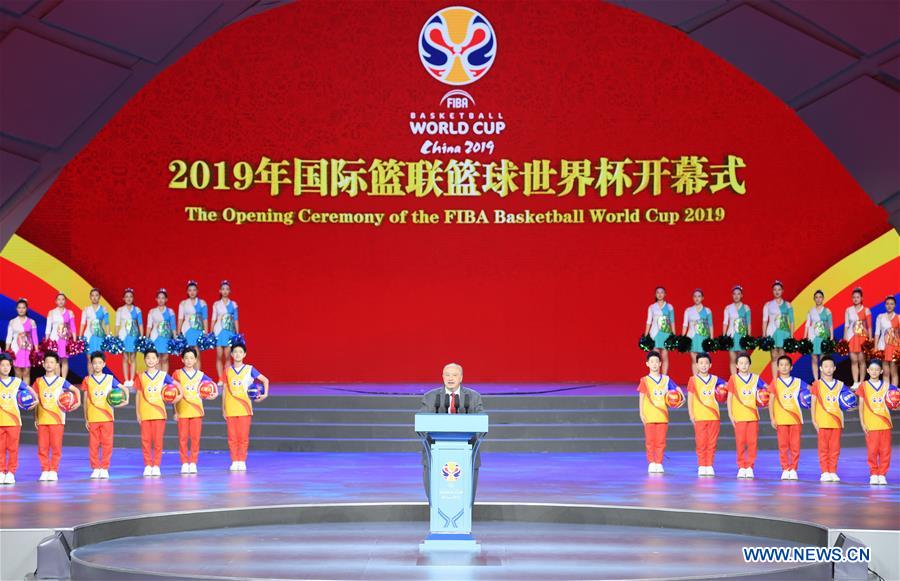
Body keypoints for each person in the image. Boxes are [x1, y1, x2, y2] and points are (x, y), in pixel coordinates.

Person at [418, 363, 485, 498]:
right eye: (447, 375)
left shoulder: (473, 397)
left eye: (454, 375)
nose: (450, 378)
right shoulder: (430, 397)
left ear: (461, 378)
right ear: (442, 377)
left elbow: (481, 422)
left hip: (467, 452)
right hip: (435, 452)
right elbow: (422, 424)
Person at [81, 352, 128, 479]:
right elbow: (85, 400)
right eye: (94, 363)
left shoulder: (109, 378)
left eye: (99, 363)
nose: (97, 365)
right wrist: (86, 418)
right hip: (93, 417)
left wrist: (126, 400)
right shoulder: (87, 380)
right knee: (93, 444)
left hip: (107, 417)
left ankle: (105, 467)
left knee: (107, 443)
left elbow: (124, 388)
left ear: (104, 364)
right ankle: (95, 468)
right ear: (91, 364)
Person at [33, 351, 80, 481]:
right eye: (47, 362)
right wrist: (36, 417)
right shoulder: (38, 381)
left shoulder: (61, 381)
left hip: (58, 419)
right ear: (43, 364)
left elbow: (75, 390)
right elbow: (35, 400)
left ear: (57, 365)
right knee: (42, 447)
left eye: (52, 362)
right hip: (42, 419)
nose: (49, 364)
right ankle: (44, 469)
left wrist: (78, 402)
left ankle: (53, 470)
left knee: (56, 446)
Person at [222, 343, 268, 471]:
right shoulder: (227, 371)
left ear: (244, 354)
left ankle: (241, 460)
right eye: (235, 352)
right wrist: (223, 409)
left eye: (240, 352)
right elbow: (225, 391)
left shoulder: (249, 369)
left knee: (243, 437)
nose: (237, 354)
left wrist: (264, 395)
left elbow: (265, 380)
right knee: (232, 437)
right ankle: (234, 460)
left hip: (245, 408)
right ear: (231, 354)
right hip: (231, 408)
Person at [135, 348, 181, 477]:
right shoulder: (140, 376)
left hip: (159, 414)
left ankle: (156, 465)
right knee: (146, 441)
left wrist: (178, 396)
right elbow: (138, 396)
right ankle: (148, 465)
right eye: (148, 358)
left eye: (153, 358)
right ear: (144, 360)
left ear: (157, 360)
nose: (150, 360)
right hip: (145, 413)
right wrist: (138, 414)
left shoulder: (163, 375)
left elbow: (177, 385)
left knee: (158, 441)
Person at [637, 351, 683, 474]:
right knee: (650, 441)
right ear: (647, 364)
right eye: (651, 362)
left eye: (656, 362)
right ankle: (652, 462)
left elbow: (677, 389)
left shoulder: (666, 379)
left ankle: (659, 462)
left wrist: (681, 398)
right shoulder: (645, 380)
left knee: (661, 441)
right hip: (649, 415)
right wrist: (641, 413)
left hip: (662, 416)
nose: (654, 364)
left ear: (660, 363)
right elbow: (641, 397)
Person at [173, 347, 216, 474]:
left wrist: (212, 394)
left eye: (192, 358)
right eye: (186, 358)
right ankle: (184, 462)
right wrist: (175, 411)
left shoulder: (200, 375)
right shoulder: (177, 374)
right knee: (183, 438)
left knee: (195, 438)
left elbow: (212, 385)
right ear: (182, 359)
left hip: (197, 411)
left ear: (196, 360)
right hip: (182, 410)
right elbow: (173, 393)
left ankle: (193, 462)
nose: (189, 360)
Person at [810, 355, 852, 482]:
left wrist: (851, 404)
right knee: (823, 449)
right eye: (825, 367)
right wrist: (813, 419)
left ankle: (833, 471)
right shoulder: (816, 384)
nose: (828, 369)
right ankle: (824, 471)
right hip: (822, 421)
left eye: (830, 367)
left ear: (834, 368)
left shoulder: (840, 385)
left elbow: (847, 400)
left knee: (835, 449)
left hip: (837, 421)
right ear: (821, 368)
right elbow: (813, 402)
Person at [726, 352, 767, 479]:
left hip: (753, 416)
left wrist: (765, 398)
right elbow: (730, 398)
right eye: (741, 363)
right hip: (739, 416)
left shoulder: (755, 378)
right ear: (737, 365)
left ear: (750, 364)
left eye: (746, 363)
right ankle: (741, 466)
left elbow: (768, 388)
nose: (744, 365)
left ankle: (749, 467)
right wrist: (730, 414)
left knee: (752, 442)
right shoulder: (733, 379)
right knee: (740, 443)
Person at [768, 356, 808, 481]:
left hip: (796, 419)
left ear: (791, 367)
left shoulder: (798, 382)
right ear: (778, 367)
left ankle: (794, 469)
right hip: (781, 419)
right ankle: (785, 469)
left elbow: (810, 391)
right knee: (783, 446)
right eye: (781, 365)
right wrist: (772, 418)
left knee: (795, 446)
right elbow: (771, 402)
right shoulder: (775, 383)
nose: (784, 367)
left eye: (786, 365)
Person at [0, 353, 38, 485]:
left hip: (14, 421)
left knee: (12, 448)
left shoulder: (16, 382)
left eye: (7, 365)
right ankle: (1, 472)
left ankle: (10, 473)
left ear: (11, 367)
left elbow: (30, 389)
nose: (5, 368)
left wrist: (37, 399)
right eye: (2, 365)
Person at [686, 352, 725, 476]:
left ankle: (709, 465)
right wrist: (691, 415)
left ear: (710, 365)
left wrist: (723, 394)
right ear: (696, 365)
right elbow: (690, 398)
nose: (703, 366)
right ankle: (702, 465)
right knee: (701, 442)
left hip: (714, 416)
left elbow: (727, 387)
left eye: (706, 363)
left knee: (712, 443)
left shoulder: (715, 379)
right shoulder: (693, 380)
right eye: (701, 363)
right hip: (700, 416)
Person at [857, 359, 893, 485]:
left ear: (881, 371)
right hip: (870, 424)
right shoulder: (863, 386)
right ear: (867, 371)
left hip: (885, 424)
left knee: (885, 451)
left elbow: (895, 398)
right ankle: (873, 473)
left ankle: (882, 474)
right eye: (871, 369)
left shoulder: (887, 386)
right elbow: (860, 406)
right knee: (872, 451)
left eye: (877, 369)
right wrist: (862, 422)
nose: (874, 372)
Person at [5, 298, 39, 385]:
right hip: (15, 350)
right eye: (19, 307)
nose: (21, 309)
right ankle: (18, 393)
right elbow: (9, 337)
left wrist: (36, 350)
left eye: (23, 307)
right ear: (16, 309)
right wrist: (7, 351)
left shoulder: (32, 322)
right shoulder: (12, 322)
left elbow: (35, 337)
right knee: (17, 372)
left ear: (26, 309)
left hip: (28, 350)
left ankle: (26, 393)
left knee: (26, 373)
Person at [212, 280, 239, 387]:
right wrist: (211, 332)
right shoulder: (216, 304)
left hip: (229, 332)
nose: (225, 291)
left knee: (228, 356)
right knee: (219, 356)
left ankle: (225, 378)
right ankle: (220, 378)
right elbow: (213, 319)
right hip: (218, 331)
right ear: (220, 291)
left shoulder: (233, 304)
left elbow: (236, 319)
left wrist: (237, 333)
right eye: (223, 289)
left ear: (230, 291)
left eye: (227, 289)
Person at [177, 281, 209, 369]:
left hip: (198, 331)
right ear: (187, 292)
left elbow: (205, 318)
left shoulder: (202, 303)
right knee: (188, 354)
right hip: (187, 330)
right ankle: (189, 375)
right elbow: (180, 318)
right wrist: (178, 332)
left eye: (194, 290)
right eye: (190, 290)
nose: (192, 292)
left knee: (197, 354)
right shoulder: (183, 303)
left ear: (197, 291)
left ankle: (197, 377)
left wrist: (206, 332)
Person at [844, 287, 872, 388]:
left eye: (858, 297)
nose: (856, 299)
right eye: (854, 297)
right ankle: (855, 382)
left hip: (862, 338)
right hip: (851, 337)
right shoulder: (848, 310)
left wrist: (870, 339)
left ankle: (862, 382)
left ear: (861, 298)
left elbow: (869, 326)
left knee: (862, 360)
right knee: (854, 360)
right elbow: (846, 325)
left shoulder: (866, 310)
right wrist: (844, 339)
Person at [45, 293, 77, 380]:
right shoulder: (51, 312)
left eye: (63, 299)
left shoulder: (70, 312)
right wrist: (47, 340)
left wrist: (74, 340)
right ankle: (58, 380)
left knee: (65, 360)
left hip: (65, 340)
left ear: (65, 301)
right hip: (54, 339)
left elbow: (73, 327)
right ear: (56, 301)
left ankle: (63, 381)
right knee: (56, 361)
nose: (61, 301)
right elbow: (48, 327)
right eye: (59, 299)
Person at [115, 288, 143, 387]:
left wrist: (141, 337)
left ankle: (132, 379)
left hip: (134, 336)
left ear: (133, 298)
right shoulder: (120, 310)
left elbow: (140, 324)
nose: (128, 298)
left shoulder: (137, 310)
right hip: (123, 336)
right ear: (123, 298)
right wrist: (116, 336)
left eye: (130, 296)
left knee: (133, 357)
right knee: (125, 357)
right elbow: (117, 324)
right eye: (126, 296)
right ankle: (126, 380)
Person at [644, 287, 675, 375]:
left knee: (665, 357)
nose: (660, 294)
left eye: (662, 292)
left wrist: (673, 335)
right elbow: (648, 322)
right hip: (654, 334)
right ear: (655, 294)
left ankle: (664, 379)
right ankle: (655, 377)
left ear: (665, 294)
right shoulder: (652, 307)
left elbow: (672, 321)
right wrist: (646, 336)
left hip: (666, 334)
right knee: (655, 358)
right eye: (658, 292)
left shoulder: (669, 307)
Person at [682, 289, 713, 375]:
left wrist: (711, 339)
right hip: (691, 337)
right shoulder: (688, 310)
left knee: (704, 361)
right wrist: (682, 338)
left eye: (699, 296)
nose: (697, 298)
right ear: (693, 298)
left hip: (704, 338)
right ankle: (696, 381)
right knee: (694, 361)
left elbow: (710, 325)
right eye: (695, 296)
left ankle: (704, 379)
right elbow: (685, 325)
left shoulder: (707, 311)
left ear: (702, 298)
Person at [805, 290, 833, 381]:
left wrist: (831, 336)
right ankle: (816, 380)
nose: (818, 299)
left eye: (820, 297)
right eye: (816, 297)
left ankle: (823, 379)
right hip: (813, 337)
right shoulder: (811, 311)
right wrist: (805, 337)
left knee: (823, 358)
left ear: (823, 299)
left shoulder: (827, 311)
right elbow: (807, 324)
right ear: (814, 299)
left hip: (823, 337)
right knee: (814, 358)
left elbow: (830, 324)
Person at [723, 286, 751, 376]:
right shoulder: (728, 308)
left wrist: (748, 337)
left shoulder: (746, 308)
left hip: (742, 336)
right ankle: (734, 380)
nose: (736, 296)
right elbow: (725, 323)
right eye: (734, 294)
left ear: (741, 295)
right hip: (731, 335)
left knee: (743, 359)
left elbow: (748, 323)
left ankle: (742, 378)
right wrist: (724, 337)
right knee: (732, 359)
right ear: (732, 295)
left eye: (738, 294)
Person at [147, 289, 177, 373]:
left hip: (166, 338)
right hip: (155, 337)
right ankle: (158, 379)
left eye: (163, 298)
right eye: (159, 298)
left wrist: (175, 338)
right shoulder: (152, 311)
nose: (161, 300)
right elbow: (149, 326)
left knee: (165, 358)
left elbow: (173, 326)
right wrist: (146, 339)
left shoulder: (170, 311)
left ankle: (164, 378)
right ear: (156, 299)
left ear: (166, 299)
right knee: (156, 358)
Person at [79, 288, 110, 363]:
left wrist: (108, 337)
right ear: (90, 297)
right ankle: (90, 375)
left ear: (99, 297)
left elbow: (107, 323)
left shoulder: (104, 309)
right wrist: (80, 337)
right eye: (92, 295)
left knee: (99, 360)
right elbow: (82, 323)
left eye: (96, 295)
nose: (94, 297)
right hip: (88, 336)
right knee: (90, 360)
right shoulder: (86, 309)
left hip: (100, 336)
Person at [875, 295, 898, 388]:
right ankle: (886, 391)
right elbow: (877, 333)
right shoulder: (880, 317)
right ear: (885, 305)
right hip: (883, 346)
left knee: (894, 371)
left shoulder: (898, 317)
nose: (889, 306)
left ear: (895, 305)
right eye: (887, 304)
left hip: (895, 347)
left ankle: (894, 392)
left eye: (891, 304)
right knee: (885, 371)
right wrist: (875, 346)